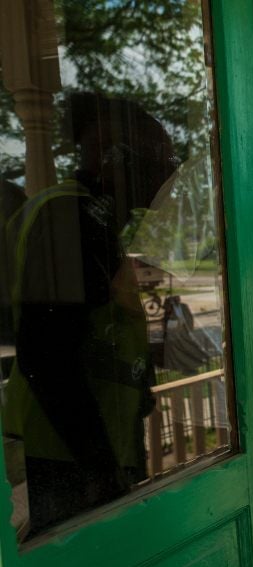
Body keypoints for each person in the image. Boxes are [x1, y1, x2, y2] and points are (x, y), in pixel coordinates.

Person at [4, 93, 175, 536]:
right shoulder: (66, 217)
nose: (162, 178)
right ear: (106, 153)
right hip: (70, 455)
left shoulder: (93, 220)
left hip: (97, 443)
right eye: (153, 163)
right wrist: (101, 470)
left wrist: (140, 392)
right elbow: (49, 357)